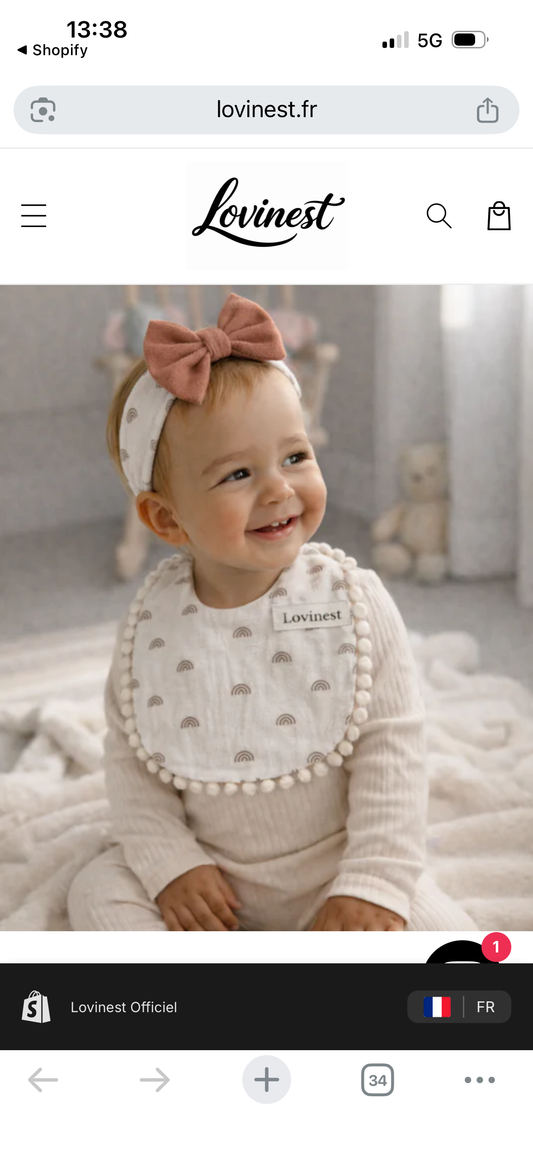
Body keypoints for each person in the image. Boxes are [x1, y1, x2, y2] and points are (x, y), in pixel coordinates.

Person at [68, 293, 476, 932]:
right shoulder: (153, 626)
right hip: (210, 881)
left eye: (295, 456)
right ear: (167, 519)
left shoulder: (354, 602)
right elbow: (132, 763)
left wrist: (372, 883)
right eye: (237, 474)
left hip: (337, 868)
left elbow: (393, 750)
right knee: (96, 893)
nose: (279, 488)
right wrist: (171, 864)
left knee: (453, 941)